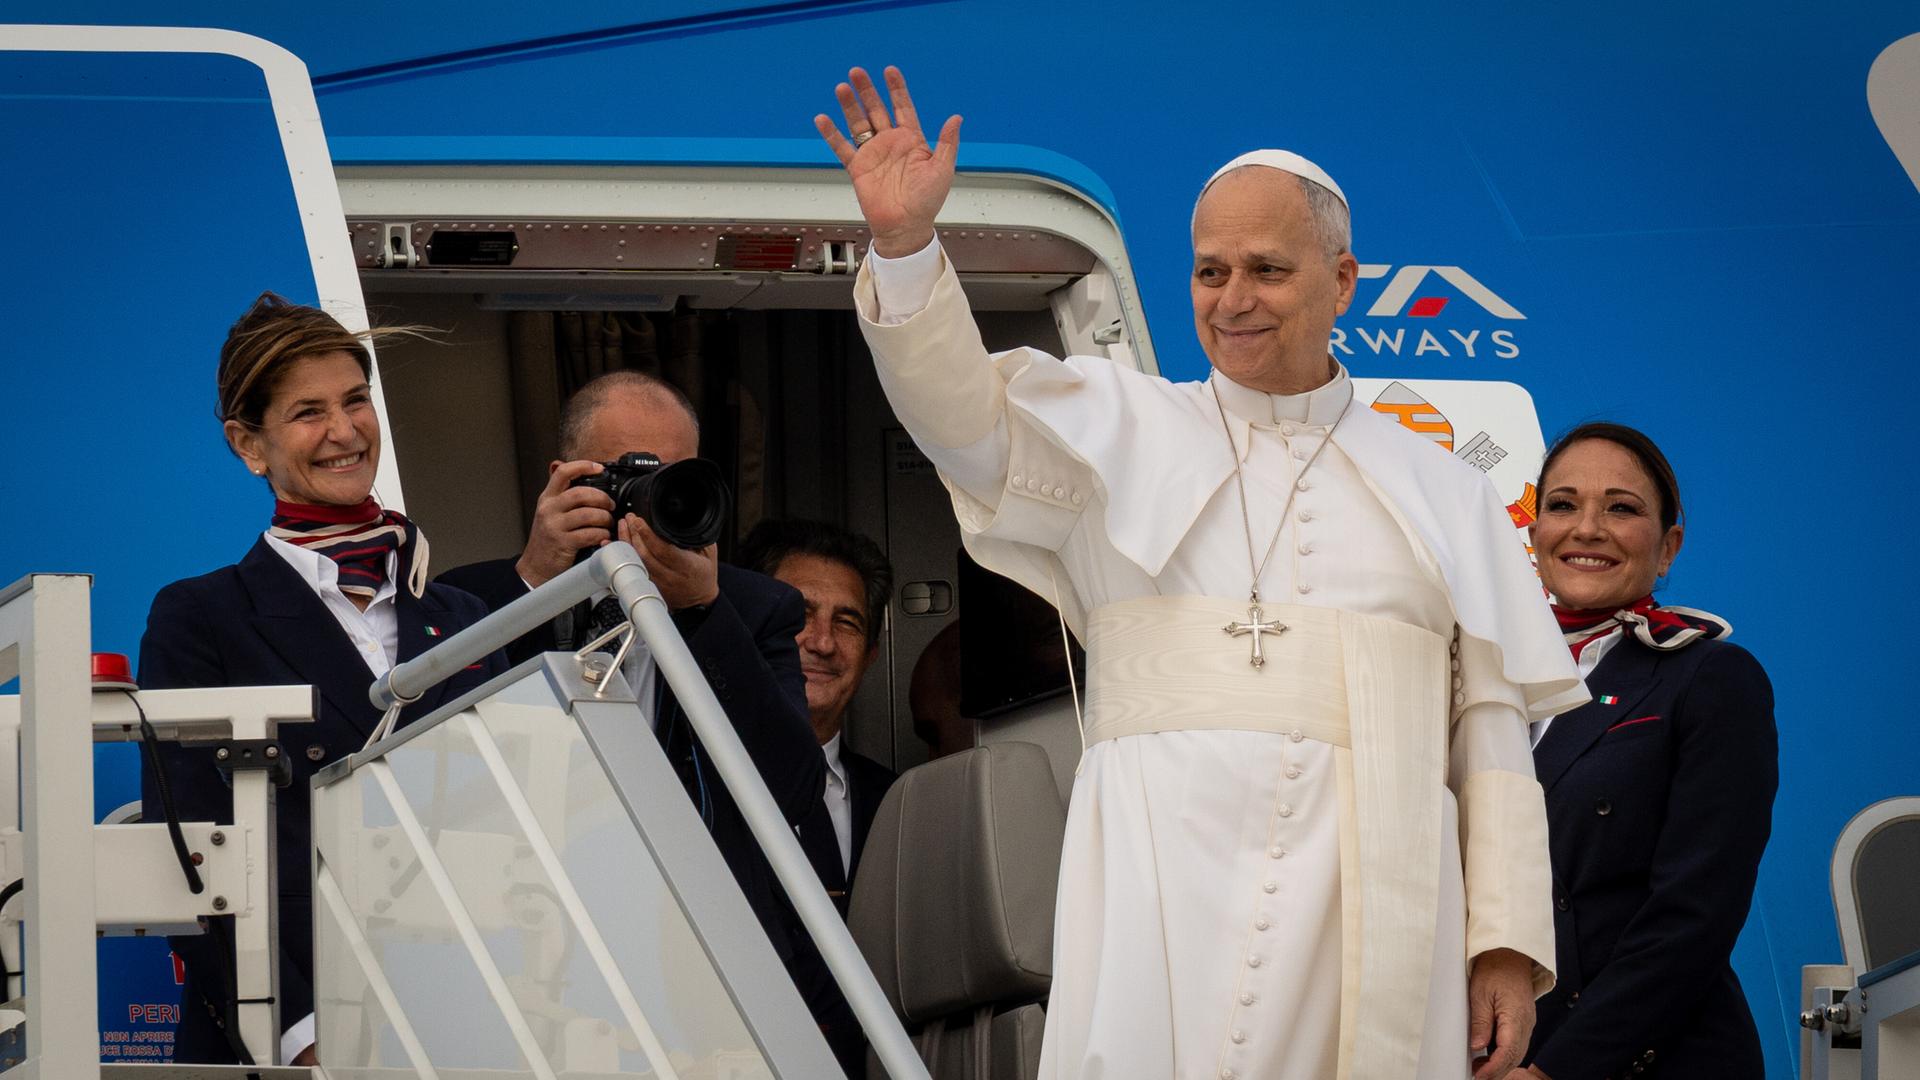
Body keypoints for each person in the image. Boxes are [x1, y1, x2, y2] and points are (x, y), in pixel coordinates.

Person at [814, 67, 1587, 1078]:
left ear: (1344, 282)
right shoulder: (1122, 427)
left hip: (1366, 910)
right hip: (1159, 893)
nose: (1233, 301)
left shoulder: (1441, 491)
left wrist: (1503, 945)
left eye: (1266, 270)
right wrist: (910, 250)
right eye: (1209, 271)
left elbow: (1488, 741)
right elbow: (962, 423)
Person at [139, 293, 506, 1067]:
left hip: (462, 1024)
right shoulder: (201, 618)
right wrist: (303, 1037)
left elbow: (513, 833)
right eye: (309, 412)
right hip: (291, 1042)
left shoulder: (462, 613)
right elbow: (187, 857)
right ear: (249, 444)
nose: (344, 432)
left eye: (355, 401)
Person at [434, 370, 830, 1034]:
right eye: (625, 475)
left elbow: (792, 788)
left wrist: (704, 615)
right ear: (563, 477)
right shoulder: (471, 600)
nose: (647, 499)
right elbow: (443, 769)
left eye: (674, 477)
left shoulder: (753, 607)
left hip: (700, 964)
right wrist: (534, 579)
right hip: (524, 950)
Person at [1517, 424, 1775, 1080]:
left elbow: (1695, 912)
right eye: (1564, 505)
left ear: (1668, 548)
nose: (1588, 528)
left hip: (1648, 1061)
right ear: (1534, 532)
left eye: (1622, 508)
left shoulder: (1709, 677)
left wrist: (1559, 1070)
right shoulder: (1484, 686)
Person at [738, 517, 899, 1072]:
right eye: (798, 615)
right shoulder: (696, 786)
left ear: (872, 654)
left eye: (847, 622)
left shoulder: (902, 805)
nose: (822, 642)